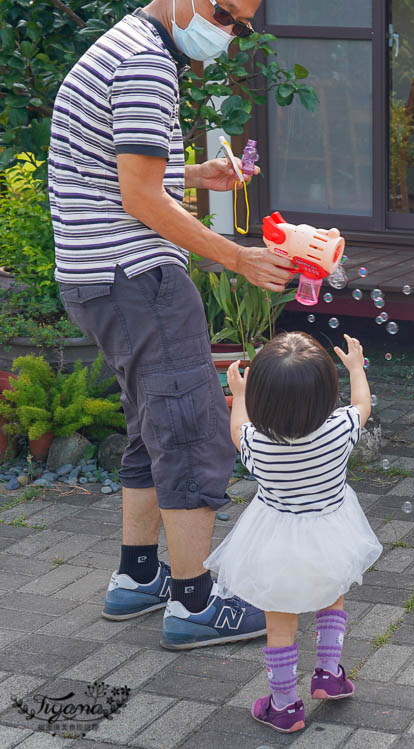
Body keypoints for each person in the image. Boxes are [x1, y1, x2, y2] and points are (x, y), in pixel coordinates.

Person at [49, 0, 301, 649]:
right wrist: (237, 257)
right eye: (222, 11)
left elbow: (115, 170)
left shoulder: (126, 46)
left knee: (151, 423)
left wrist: (191, 173)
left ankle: (139, 575)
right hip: (138, 279)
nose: (227, 31)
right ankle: (194, 602)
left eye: (240, 24)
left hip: (94, 275)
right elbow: (138, 198)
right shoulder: (144, 63)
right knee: (190, 430)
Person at [205, 332, 382, 734]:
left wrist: (239, 395)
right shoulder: (339, 430)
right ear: (324, 394)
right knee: (332, 591)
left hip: (275, 542)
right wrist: (356, 367)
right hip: (332, 534)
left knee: (279, 618)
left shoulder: (257, 443)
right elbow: (361, 405)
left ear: (264, 399)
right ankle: (329, 674)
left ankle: (284, 706)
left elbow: (238, 428)